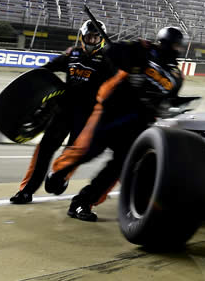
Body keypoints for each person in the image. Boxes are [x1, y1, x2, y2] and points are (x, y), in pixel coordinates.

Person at [45, 26, 186, 221]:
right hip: (112, 110)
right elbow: (112, 51)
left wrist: (165, 107)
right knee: (88, 150)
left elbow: (169, 101)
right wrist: (132, 68)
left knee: (119, 168)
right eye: (173, 44)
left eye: (178, 46)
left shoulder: (177, 76)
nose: (175, 48)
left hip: (138, 124)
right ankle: (59, 171)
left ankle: (82, 203)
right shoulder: (142, 48)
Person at [9, 21, 113, 204]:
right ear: (82, 37)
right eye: (89, 36)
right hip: (63, 111)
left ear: (101, 39)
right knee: (44, 150)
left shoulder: (108, 60)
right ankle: (26, 190)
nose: (92, 40)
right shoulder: (72, 53)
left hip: (86, 116)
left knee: (72, 155)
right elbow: (47, 70)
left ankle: (61, 178)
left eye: (96, 37)